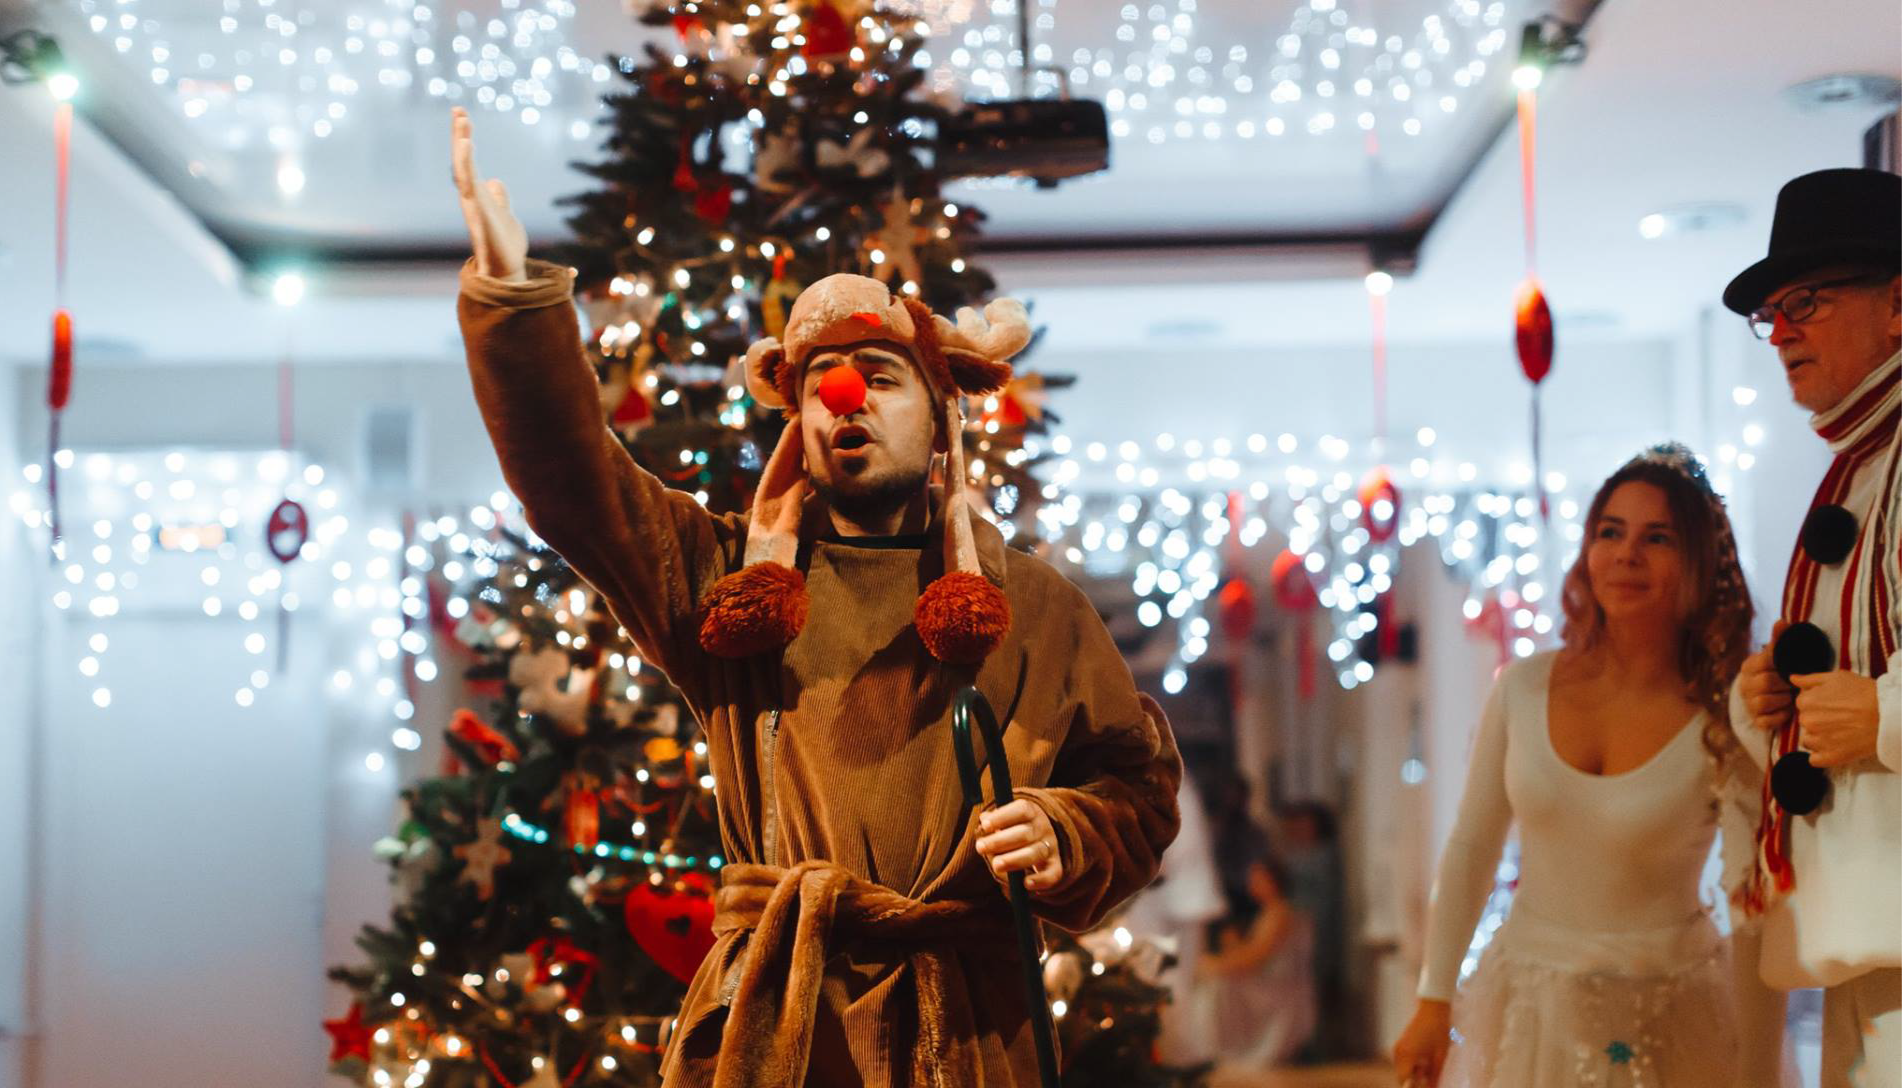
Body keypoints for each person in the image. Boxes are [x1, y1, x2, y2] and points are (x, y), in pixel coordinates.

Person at [448, 107, 1182, 1086]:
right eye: (822, 382)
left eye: (880, 376)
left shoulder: (1035, 608)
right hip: (778, 1036)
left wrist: (1066, 830)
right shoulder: (727, 588)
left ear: (940, 417)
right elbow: (574, 484)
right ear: (798, 420)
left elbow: (1136, 789)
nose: (846, 398)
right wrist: (516, 305)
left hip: (968, 1038)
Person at [1392, 445, 1783, 1086]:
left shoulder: (1726, 714)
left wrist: (1760, 1073)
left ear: (1698, 564)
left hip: (1671, 1020)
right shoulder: (1522, 688)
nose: (1627, 555)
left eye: (1657, 538)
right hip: (1529, 1014)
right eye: (1610, 532)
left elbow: (1752, 908)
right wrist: (1434, 1000)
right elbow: (1471, 846)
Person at [1725, 166, 1902, 1084]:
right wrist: (1768, 700)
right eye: (1774, 313)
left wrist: (1884, 716)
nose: (1783, 331)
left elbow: (1875, 703)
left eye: (1808, 302)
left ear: (1898, 305)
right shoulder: (1862, 461)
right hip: (1867, 930)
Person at [1193, 853, 1318, 1072]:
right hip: (1267, 982)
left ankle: (1214, 1049)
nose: (1252, 884)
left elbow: (1255, 958)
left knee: (1218, 983)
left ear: (1272, 881)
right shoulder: (1269, 913)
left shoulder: (1279, 914)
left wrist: (1214, 964)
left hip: (1278, 990)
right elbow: (1249, 953)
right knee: (1214, 978)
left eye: (1257, 879)